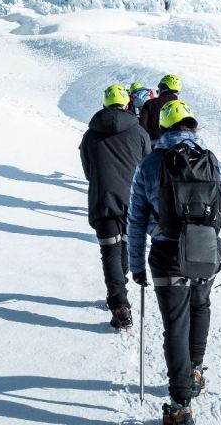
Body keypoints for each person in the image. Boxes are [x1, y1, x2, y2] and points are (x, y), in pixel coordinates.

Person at [127, 100, 221, 425]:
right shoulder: (214, 163)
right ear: (194, 127)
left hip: (166, 257)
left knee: (175, 325)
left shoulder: (149, 164)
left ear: (162, 129)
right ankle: (194, 373)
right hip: (206, 253)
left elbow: (136, 219)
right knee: (201, 307)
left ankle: (180, 406)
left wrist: (135, 264)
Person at [79, 85, 151, 330]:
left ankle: (119, 304)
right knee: (126, 247)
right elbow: (148, 166)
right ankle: (120, 291)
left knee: (110, 250)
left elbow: (88, 171)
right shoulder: (139, 132)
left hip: (103, 199)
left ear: (104, 104)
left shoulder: (90, 135)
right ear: (126, 104)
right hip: (133, 201)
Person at [138, 74, 182, 146]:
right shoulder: (182, 107)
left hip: (153, 149)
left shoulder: (150, 104)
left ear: (162, 88)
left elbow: (141, 130)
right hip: (176, 150)